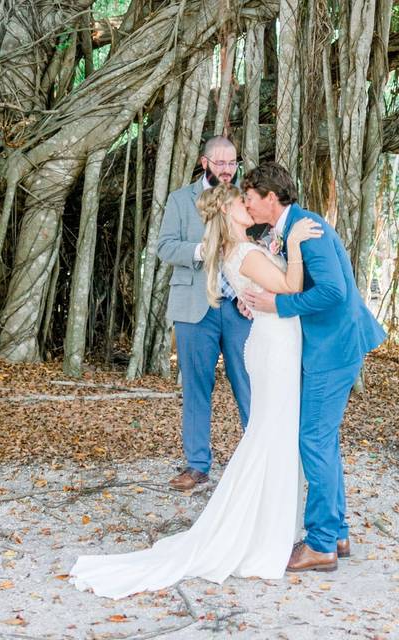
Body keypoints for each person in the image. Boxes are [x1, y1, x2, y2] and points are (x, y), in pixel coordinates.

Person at [70, 184, 323, 598]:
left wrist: (278, 246)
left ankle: (274, 524)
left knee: (272, 434)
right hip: (275, 346)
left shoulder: (239, 250)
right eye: (242, 202)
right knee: (273, 436)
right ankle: (265, 531)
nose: (249, 204)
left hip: (272, 341)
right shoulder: (244, 253)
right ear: (226, 212)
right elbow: (292, 288)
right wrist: (293, 244)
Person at [241, 162, 386, 572]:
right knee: (324, 440)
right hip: (324, 346)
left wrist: (280, 305)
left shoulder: (309, 228)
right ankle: (336, 532)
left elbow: (334, 292)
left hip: (333, 347)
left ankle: (320, 543)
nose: (247, 203)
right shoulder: (289, 230)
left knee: (313, 441)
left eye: (250, 196)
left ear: (271, 197)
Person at [156, 136, 251, 491]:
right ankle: (197, 465)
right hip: (196, 306)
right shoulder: (181, 200)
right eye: (220, 163)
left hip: (241, 308)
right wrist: (202, 249)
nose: (227, 170)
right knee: (197, 387)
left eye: (232, 163)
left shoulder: (246, 200)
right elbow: (165, 246)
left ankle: (257, 460)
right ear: (204, 162)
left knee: (248, 383)